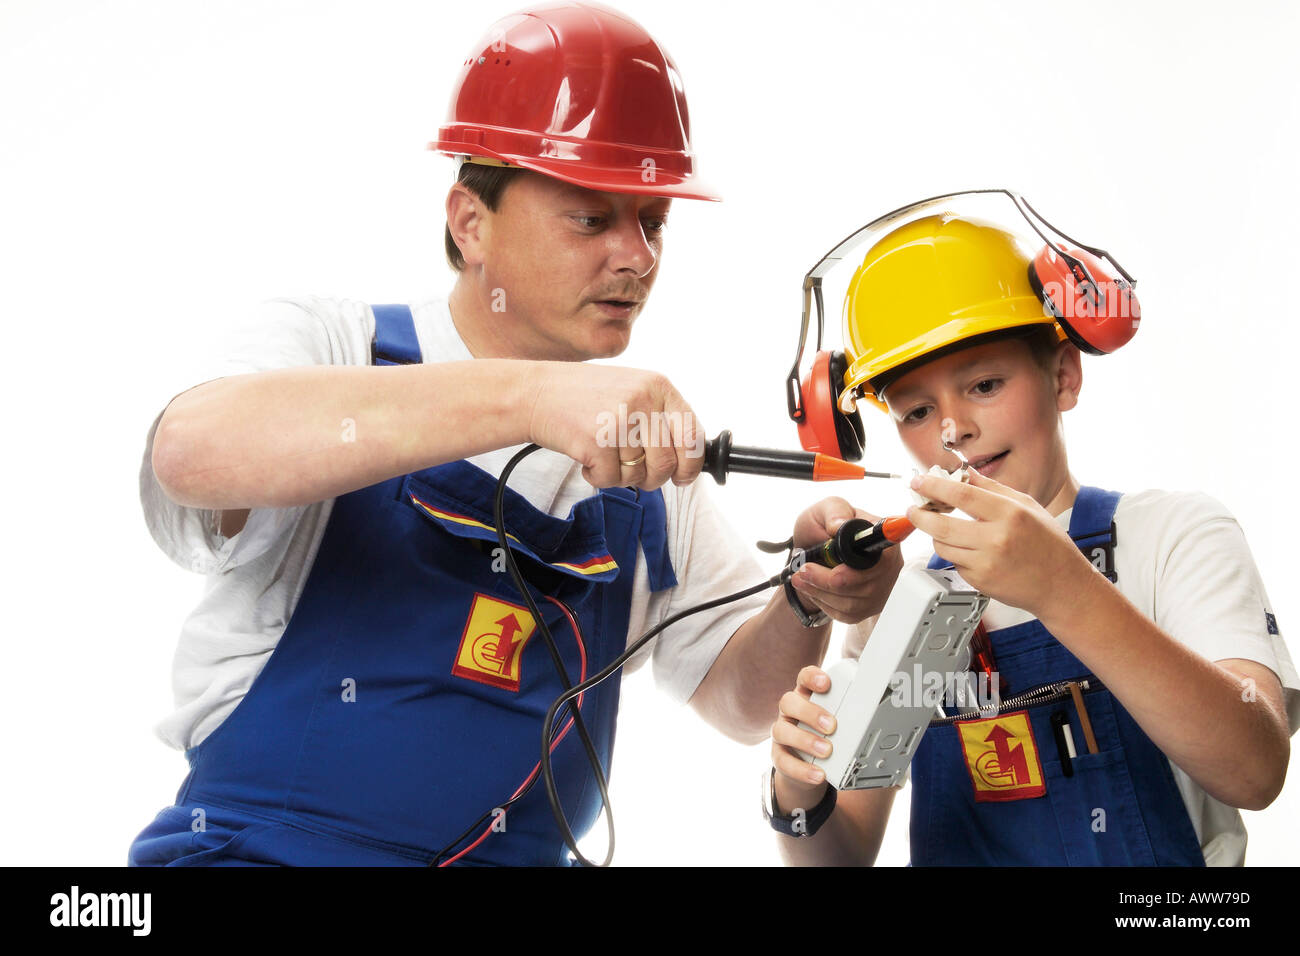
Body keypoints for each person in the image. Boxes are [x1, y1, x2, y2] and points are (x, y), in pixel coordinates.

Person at [127, 1, 894, 867]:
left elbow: (738, 702)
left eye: (653, 223)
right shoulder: (334, 346)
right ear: (470, 222)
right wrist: (532, 399)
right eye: (592, 217)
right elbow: (190, 453)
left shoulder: (640, 468)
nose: (637, 257)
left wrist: (805, 599)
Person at [768, 208, 1298, 866]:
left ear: (1063, 375)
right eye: (917, 410)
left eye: (985, 385)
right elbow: (838, 858)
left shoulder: (1173, 537)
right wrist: (797, 794)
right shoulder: (899, 608)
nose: (954, 429)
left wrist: (1063, 590)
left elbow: (1255, 767)